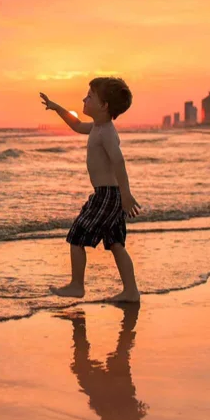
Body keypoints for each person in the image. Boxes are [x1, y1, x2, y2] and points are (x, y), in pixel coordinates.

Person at [40, 78, 141, 302]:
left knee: (77, 236)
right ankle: (131, 291)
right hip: (109, 195)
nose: (84, 99)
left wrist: (126, 194)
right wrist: (57, 108)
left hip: (107, 195)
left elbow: (119, 162)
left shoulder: (106, 133)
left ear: (104, 105)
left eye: (89, 96)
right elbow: (76, 126)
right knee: (115, 243)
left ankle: (77, 285)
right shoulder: (98, 127)